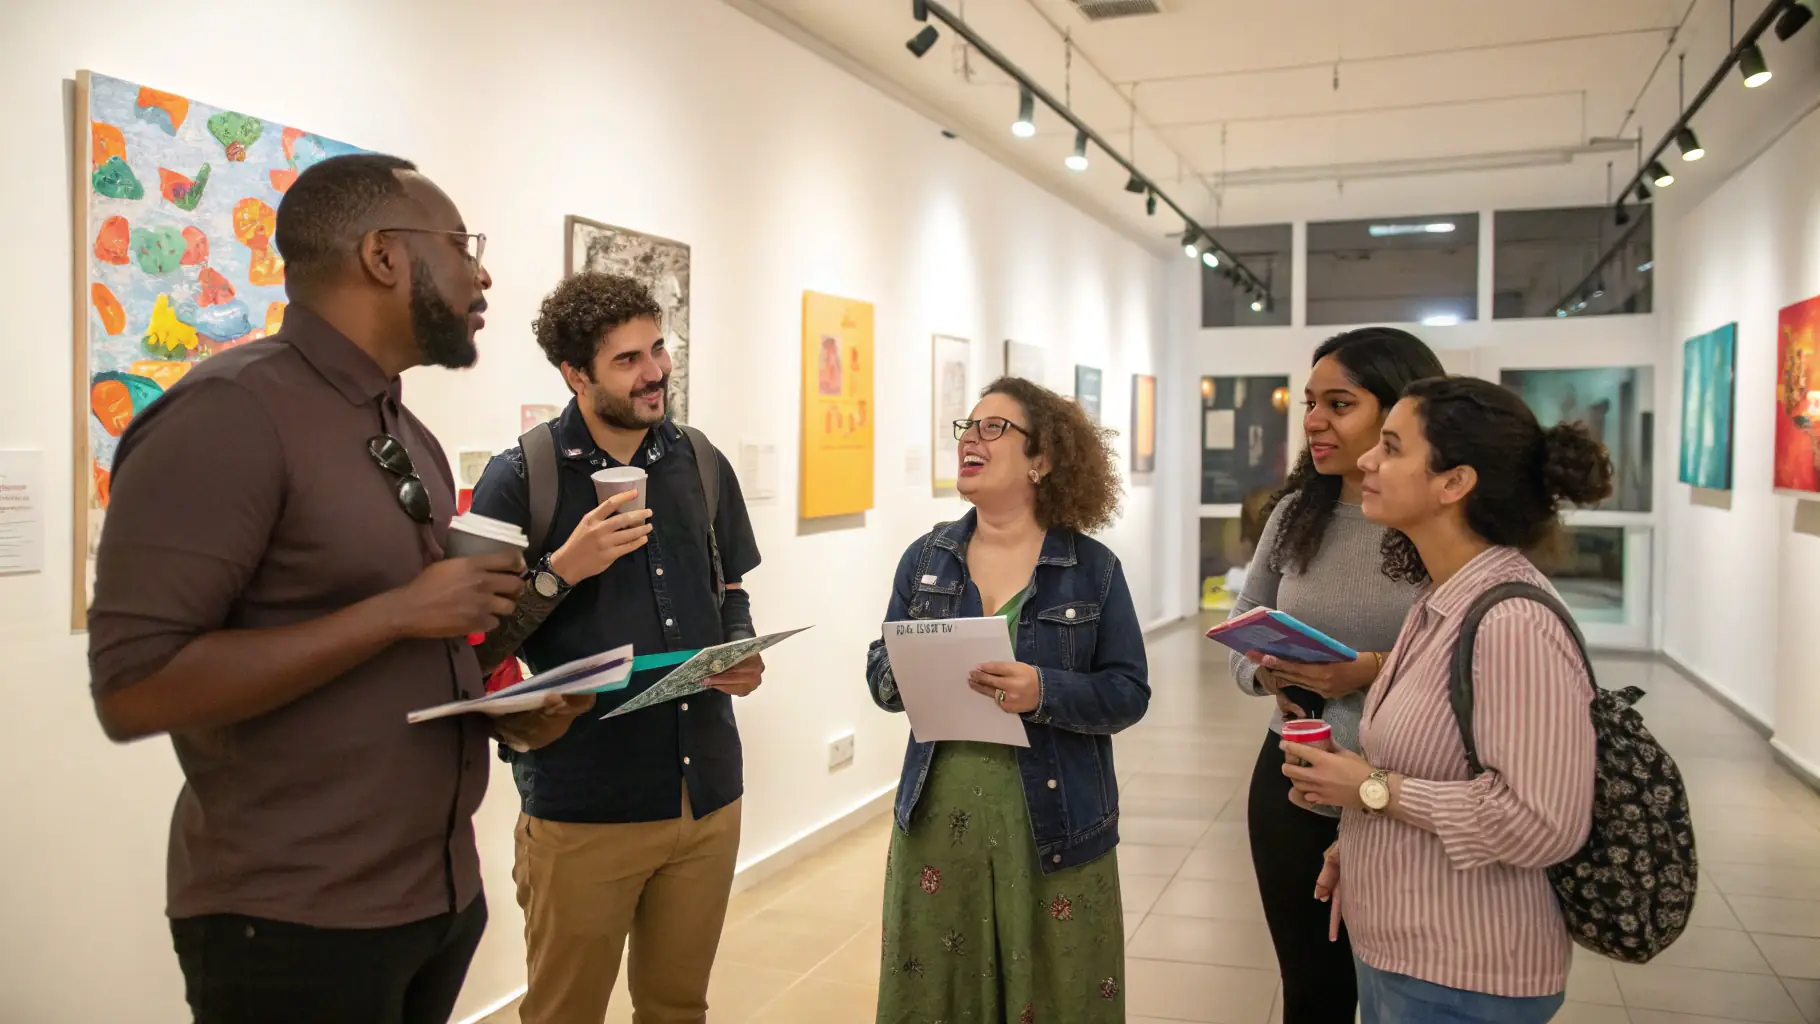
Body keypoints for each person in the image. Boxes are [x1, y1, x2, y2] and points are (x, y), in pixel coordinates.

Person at [86, 153, 592, 1024]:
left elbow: (409, 649)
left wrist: (499, 710)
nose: (482, 275)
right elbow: (133, 688)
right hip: (295, 921)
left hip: (430, 900)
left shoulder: (405, 428)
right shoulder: (229, 414)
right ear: (384, 256)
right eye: (462, 245)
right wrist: (395, 614)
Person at [467, 271, 763, 1024]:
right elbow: (474, 651)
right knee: (565, 1013)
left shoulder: (700, 461)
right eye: (628, 359)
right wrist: (562, 571)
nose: (655, 371)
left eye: (658, 349)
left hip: (705, 795)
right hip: (583, 804)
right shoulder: (519, 477)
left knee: (678, 1008)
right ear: (576, 374)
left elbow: (729, 585)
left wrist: (738, 646)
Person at [1283, 375, 1608, 1023]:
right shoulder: (1442, 599)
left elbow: (1543, 822)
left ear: (1454, 482)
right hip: (1408, 952)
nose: (1367, 461)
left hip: (1464, 974)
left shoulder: (1513, 623)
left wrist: (1371, 789)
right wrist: (1362, 842)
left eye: (1392, 447)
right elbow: (1437, 768)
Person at [865, 377, 1149, 1023]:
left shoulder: (1093, 570)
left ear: (1041, 459)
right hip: (940, 821)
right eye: (967, 425)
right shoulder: (926, 559)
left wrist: (1043, 690)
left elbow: (1128, 692)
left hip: (1054, 824)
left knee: (1056, 993)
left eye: (993, 427)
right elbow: (880, 669)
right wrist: (907, 670)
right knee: (938, 996)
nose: (971, 437)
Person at [1223, 327, 1444, 1024]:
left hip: (1406, 785)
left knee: (1398, 993)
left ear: (1402, 412)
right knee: (1312, 989)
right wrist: (1268, 672)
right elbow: (1242, 625)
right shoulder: (1296, 513)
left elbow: (1470, 653)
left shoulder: (1437, 519)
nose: (1315, 420)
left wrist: (1367, 671)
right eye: (1310, 403)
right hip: (1294, 773)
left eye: (1339, 404)